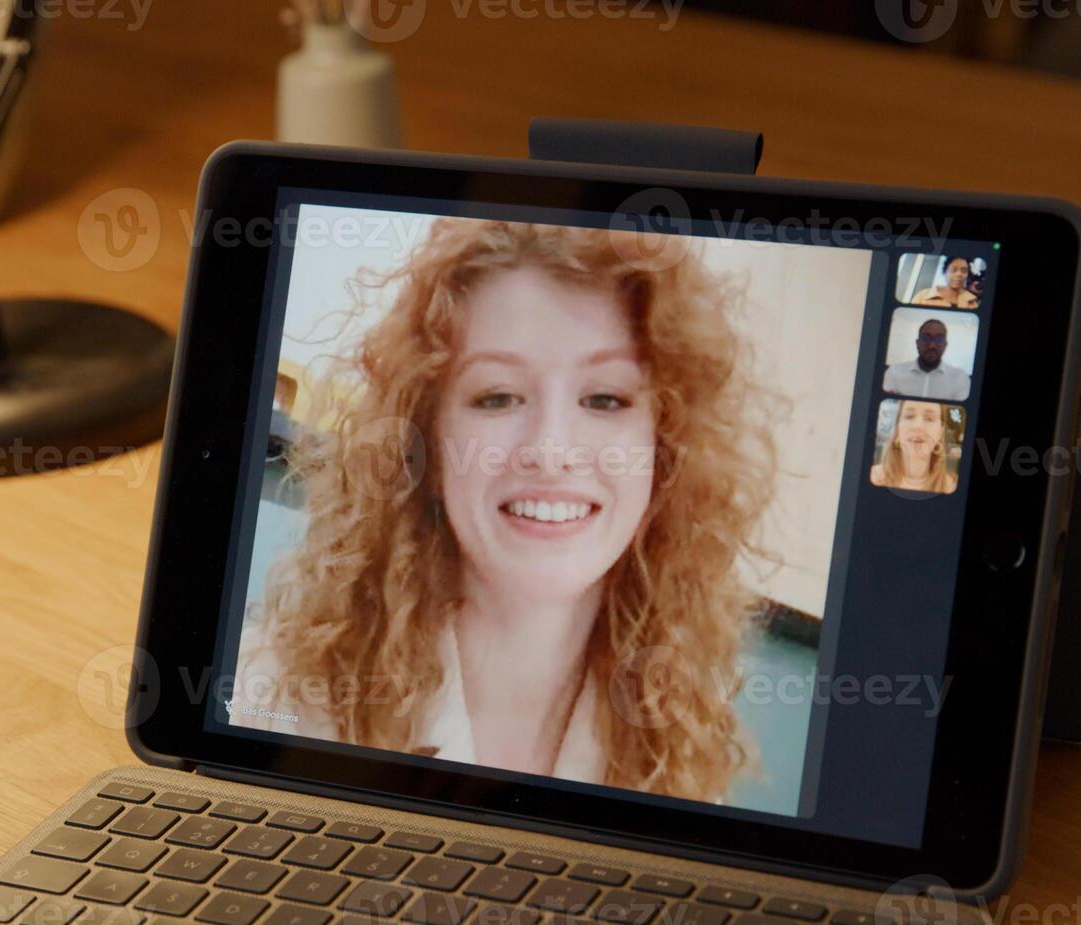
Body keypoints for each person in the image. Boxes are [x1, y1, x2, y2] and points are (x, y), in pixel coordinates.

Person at [232, 219, 779, 804]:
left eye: (604, 399)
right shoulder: (272, 694)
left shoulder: (677, 743)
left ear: (663, 452)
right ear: (427, 444)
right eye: (497, 397)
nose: (550, 450)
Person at [870, 400, 960, 494]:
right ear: (898, 428)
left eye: (929, 418)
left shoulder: (952, 487)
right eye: (909, 416)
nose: (918, 426)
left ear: (940, 432)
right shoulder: (873, 477)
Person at [882, 318, 971, 400]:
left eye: (939, 339)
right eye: (926, 338)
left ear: (945, 345)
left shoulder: (960, 378)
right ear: (917, 343)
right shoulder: (894, 372)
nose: (932, 345)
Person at [909, 256, 980, 309]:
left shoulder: (972, 302)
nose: (959, 274)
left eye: (964, 271)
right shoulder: (922, 296)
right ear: (945, 272)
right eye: (953, 270)